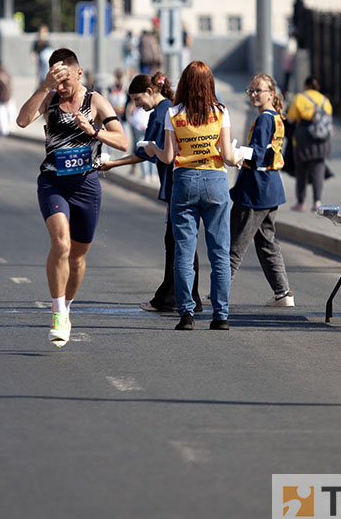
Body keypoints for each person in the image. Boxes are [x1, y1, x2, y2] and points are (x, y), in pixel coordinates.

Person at [17, 49, 128, 347]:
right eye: (56, 79)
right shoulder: (50, 98)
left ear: (79, 74)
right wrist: (43, 86)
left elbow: (122, 140)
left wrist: (95, 132)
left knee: (78, 257)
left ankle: (66, 307)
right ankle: (56, 313)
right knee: (61, 243)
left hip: (86, 186)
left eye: (65, 79)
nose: (61, 86)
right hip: (53, 182)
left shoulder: (95, 101)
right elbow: (22, 121)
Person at [100, 71, 200, 315]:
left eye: (137, 99)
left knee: (174, 242)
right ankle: (192, 296)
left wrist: (112, 164)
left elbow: (146, 153)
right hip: (188, 180)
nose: (137, 106)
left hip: (175, 184)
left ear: (150, 91)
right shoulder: (174, 107)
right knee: (187, 242)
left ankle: (167, 299)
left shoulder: (160, 114)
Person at [148, 60, 238, 331]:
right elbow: (229, 157)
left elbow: (168, 155)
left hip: (184, 181)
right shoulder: (221, 112)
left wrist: (152, 147)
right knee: (219, 252)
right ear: (209, 84)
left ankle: (186, 313)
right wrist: (240, 157)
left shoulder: (174, 112)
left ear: (185, 83)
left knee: (183, 252)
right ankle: (220, 315)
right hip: (215, 180)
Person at [227, 73, 295, 307]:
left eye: (259, 90)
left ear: (271, 94)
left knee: (235, 243)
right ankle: (283, 293)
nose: (254, 94)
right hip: (271, 188)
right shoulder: (275, 117)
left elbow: (256, 154)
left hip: (255, 190)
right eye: (251, 90)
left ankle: (219, 292)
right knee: (267, 242)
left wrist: (234, 154)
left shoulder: (265, 119)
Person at [286, 77, 333, 211]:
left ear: (306, 86)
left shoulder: (299, 98)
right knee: (318, 170)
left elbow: (291, 119)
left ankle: (300, 202)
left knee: (301, 171)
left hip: (303, 139)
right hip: (322, 140)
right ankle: (317, 202)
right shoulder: (325, 100)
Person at [0, 63, 14, 137]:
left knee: (2, 114)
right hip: (9, 96)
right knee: (10, 113)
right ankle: (11, 128)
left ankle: (4, 130)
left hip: (2, 98)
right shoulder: (8, 75)